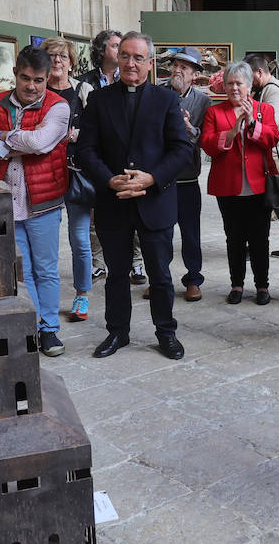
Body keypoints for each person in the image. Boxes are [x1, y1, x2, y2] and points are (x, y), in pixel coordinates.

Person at [73, 32, 190, 361]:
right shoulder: (99, 100)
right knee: (116, 274)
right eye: (125, 55)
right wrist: (110, 181)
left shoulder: (166, 100)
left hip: (154, 200)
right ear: (116, 58)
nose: (130, 63)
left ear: (150, 63)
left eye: (138, 57)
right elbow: (85, 150)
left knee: (161, 274)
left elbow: (182, 150)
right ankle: (117, 332)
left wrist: (152, 178)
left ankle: (166, 332)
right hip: (114, 201)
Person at [0, 44, 72, 356]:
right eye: (26, 78)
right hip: (5, 200)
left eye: (39, 80)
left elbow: (42, 142)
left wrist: (3, 136)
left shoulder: (59, 107)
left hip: (43, 201)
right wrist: (21, 141)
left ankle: (50, 329)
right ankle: (34, 323)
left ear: (47, 78)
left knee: (46, 269)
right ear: (15, 74)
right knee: (22, 270)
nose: (32, 86)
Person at [201, 61, 279, 306]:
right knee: (233, 238)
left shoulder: (263, 110)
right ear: (223, 86)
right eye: (230, 83)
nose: (234, 87)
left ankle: (262, 286)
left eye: (239, 83)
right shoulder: (214, 112)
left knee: (260, 238)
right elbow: (207, 144)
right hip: (228, 186)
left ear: (249, 85)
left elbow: (272, 139)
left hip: (259, 186)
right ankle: (236, 284)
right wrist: (234, 130)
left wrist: (253, 125)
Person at [38, 37, 97, 325]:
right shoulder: (37, 91)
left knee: (79, 239)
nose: (57, 61)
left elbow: (98, 127)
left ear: (71, 62)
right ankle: (43, 299)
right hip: (43, 174)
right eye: (51, 56)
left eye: (62, 56)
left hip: (76, 174)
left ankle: (82, 294)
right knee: (44, 242)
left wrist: (79, 134)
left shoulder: (83, 91)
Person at [168, 46, 212, 302]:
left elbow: (204, 141)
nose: (177, 70)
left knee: (190, 233)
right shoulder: (158, 95)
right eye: (175, 65)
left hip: (187, 178)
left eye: (184, 67)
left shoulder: (203, 102)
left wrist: (187, 128)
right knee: (160, 233)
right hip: (161, 179)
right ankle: (159, 277)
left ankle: (193, 279)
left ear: (195, 74)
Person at [247, 54, 279, 256]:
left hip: (275, 155)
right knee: (275, 201)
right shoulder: (264, 89)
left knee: (277, 200)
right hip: (268, 154)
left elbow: (269, 124)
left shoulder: (272, 90)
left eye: (250, 76)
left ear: (259, 72)